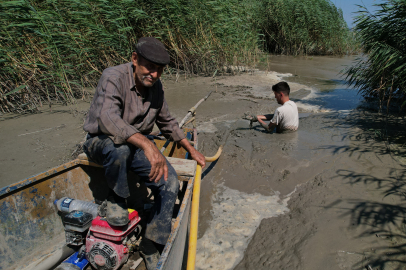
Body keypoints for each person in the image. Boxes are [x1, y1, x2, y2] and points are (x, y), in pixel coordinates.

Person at [82, 37, 206, 269]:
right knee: (118, 148)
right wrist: (148, 145)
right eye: (150, 67)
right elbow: (108, 119)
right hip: (101, 143)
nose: (155, 74)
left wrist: (191, 148)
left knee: (169, 183)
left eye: (159, 70)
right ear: (135, 59)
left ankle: (150, 242)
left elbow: (167, 122)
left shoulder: (156, 87)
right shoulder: (113, 77)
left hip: (135, 146)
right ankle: (116, 198)